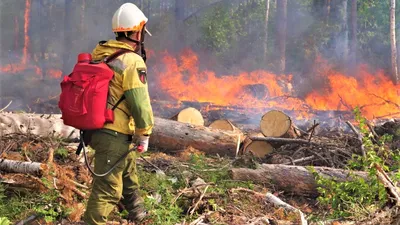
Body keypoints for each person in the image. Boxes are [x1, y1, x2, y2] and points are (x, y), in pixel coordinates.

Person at [83, 3, 154, 225]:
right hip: (113, 132)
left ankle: (138, 216)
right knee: (107, 191)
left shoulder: (101, 53)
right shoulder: (132, 61)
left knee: (127, 173)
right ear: (136, 31)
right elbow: (140, 104)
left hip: (98, 129)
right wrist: (144, 133)